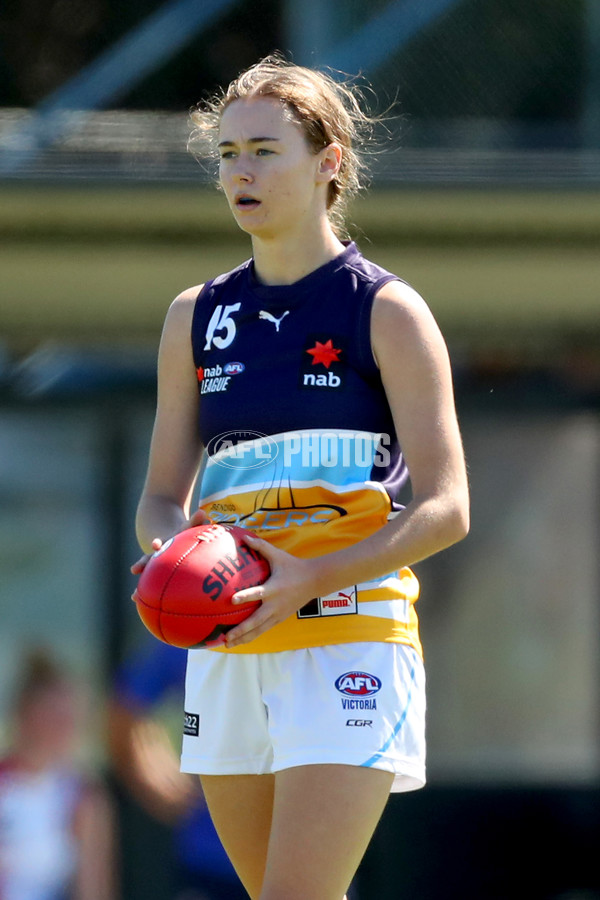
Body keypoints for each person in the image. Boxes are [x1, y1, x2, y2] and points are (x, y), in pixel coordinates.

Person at [131, 54, 469, 900]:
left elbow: (448, 507)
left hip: (349, 641)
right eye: (228, 154)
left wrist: (307, 577)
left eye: (264, 151)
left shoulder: (385, 310)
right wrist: (174, 554)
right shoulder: (194, 317)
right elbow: (161, 499)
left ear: (330, 162)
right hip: (230, 643)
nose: (240, 171)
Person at [108, 639, 248, 899]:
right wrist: (158, 781)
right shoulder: (207, 629)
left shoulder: (323, 631)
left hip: (306, 847)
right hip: (212, 859)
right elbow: (126, 710)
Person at [0, 647, 117, 900]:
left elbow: (93, 888)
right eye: (54, 716)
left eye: (70, 718)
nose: (64, 727)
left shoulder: (82, 796)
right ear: (24, 715)